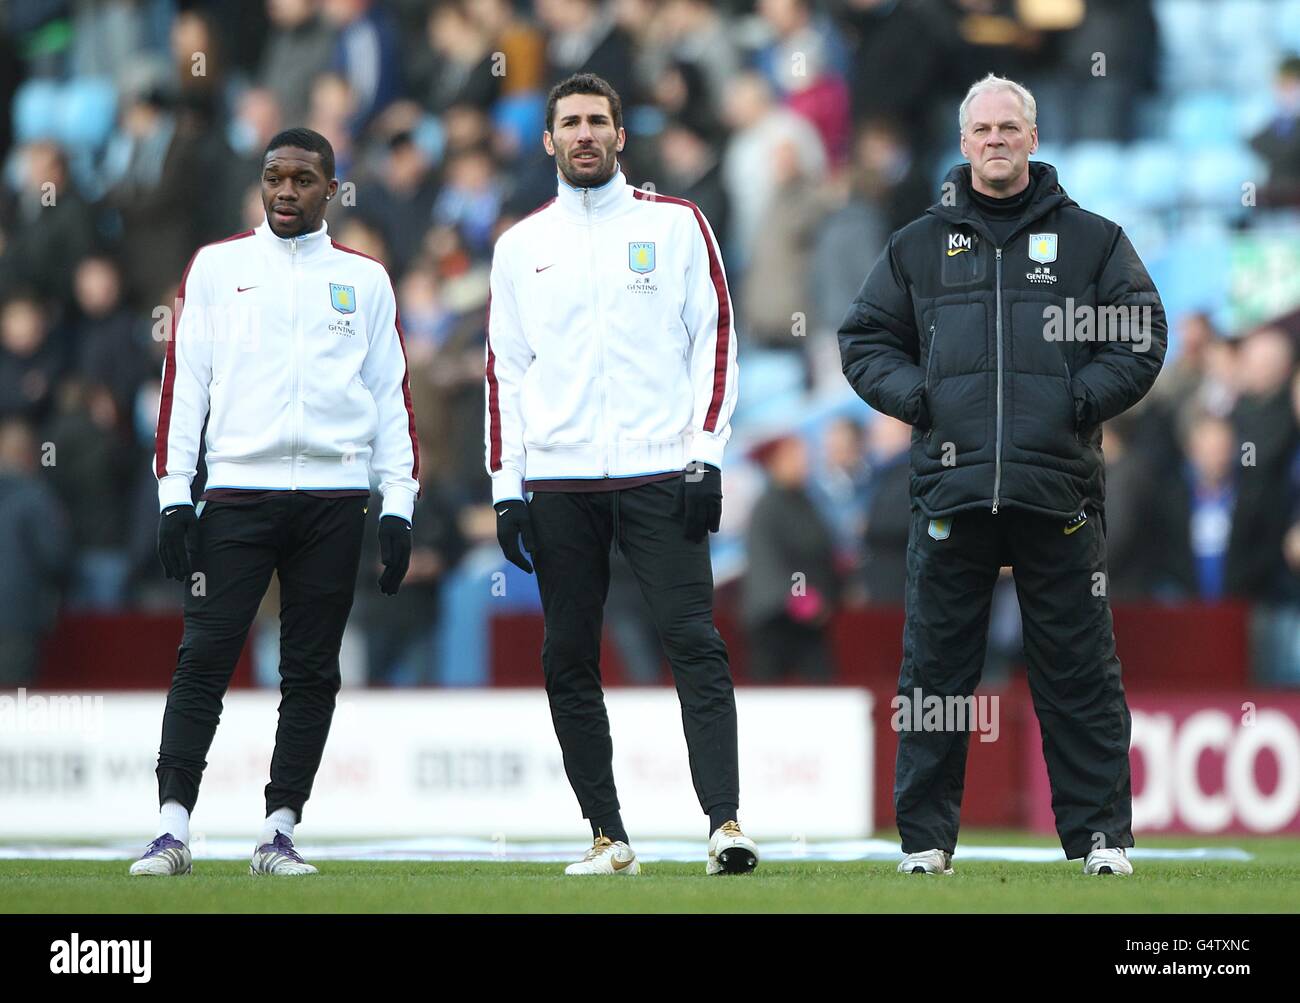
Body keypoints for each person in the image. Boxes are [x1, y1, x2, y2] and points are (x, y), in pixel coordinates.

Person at [838, 74, 1166, 877]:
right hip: (951, 491)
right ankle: (924, 842)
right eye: (982, 128)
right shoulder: (918, 245)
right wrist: (920, 399)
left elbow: (1140, 334)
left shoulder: (1092, 240)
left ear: (1033, 136)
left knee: (1079, 674)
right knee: (937, 675)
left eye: (1008, 127)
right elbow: (863, 339)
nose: (995, 139)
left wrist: (1074, 401)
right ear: (963, 143)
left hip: (1056, 490)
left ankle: (1101, 840)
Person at [130, 127, 420, 877]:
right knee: (205, 655)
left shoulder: (366, 279)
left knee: (312, 670)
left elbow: (392, 397)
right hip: (237, 491)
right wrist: (173, 494)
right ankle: (171, 829)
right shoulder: (219, 267)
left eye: (303, 178)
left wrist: (399, 503)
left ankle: (279, 829)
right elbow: (184, 386)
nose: (285, 190)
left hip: (334, 498)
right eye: (274, 176)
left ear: (333, 189)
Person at [485, 73, 755, 876]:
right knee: (567, 655)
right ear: (547, 140)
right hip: (562, 482)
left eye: (598, 120)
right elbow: (506, 374)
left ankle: (726, 823)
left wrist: (705, 452)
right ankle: (607, 835)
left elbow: (716, 337)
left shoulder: (676, 226)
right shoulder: (520, 246)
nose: (584, 134)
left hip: (659, 474)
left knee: (694, 643)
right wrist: (508, 486)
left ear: (621, 134)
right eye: (569, 122)